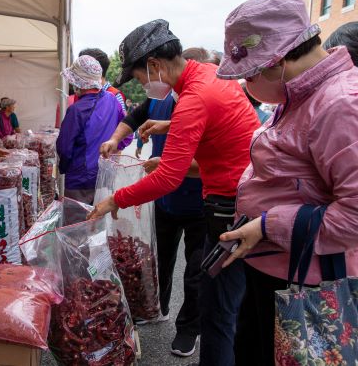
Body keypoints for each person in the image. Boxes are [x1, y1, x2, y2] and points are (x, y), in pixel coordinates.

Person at [89, 19, 259, 366]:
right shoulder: (209, 74)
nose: (142, 85)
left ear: (154, 66)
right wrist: (170, 123)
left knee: (217, 312)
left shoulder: (193, 97)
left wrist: (113, 200)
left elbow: (168, 177)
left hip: (230, 206)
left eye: (139, 78)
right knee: (230, 309)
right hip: (244, 195)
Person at [214, 0, 358, 366]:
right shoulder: (300, 95)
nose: (246, 84)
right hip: (278, 266)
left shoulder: (340, 104)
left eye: (248, 73)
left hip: (306, 281)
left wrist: (267, 226)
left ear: (276, 61)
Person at [99, 45, 214, 358]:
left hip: (201, 205)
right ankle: (156, 307)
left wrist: (163, 166)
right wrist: (113, 138)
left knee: (195, 273)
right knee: (158, 260)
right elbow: (135, 116)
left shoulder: (201, 101)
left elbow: (207, 165)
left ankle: (189, 329)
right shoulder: (163, 98)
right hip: (165, 200)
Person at [56, 55, 131, 205]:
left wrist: (63, 169)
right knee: (99, 223)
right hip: (105, 176)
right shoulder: (112, 100)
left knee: (77, 225)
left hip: (80, 181)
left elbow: (64, 148)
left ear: (78, 82)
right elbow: (127, 135)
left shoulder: (76, 110)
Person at [79, 48, 127, 112]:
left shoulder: (115, 96)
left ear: (95, 70)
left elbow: (121, 121)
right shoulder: (81, 93)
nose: (79, 74)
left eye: (82, 69)